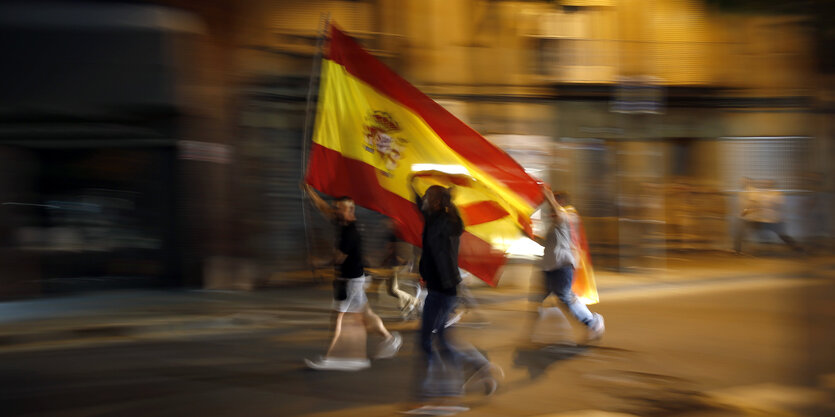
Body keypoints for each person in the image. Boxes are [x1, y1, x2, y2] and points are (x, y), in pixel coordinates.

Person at [409, 184, 501, 414]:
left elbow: (449, 225)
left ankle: (437, 394)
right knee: (442, 339)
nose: (426, 201)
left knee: (428, 341)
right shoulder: (436, 218)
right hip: (439, 289)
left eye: (430, 197)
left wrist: (449, 200)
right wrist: (413, 185)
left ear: (439, 203)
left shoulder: (444, 222)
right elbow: (423, 208)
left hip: (444, 289)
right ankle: (479, 368)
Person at [301, 183, 402, 371]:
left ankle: (328, 357)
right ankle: (390, 339)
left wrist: (318, 263)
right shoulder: (342, 221)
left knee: (337, 317)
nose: (335, 211)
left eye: (339, 209)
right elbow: (324, 208)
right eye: (336, 208)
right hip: (355, 278)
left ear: (349, 210)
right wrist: (310, 192)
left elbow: (338, 258)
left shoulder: (351, 233)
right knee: (366, 314)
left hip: (350, 281)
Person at [532, 185, 604, 343]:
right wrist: (532, 235)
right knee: (538, 299)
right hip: (549, 267)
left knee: (565, 298)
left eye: (556, 200)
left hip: (562, 266)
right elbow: (549, 243)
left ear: (562, 202)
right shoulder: (556, 221)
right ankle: (531, 335)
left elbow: (560, 214)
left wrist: (548, 197)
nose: (551, 206)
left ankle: (593, 322)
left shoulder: (569, 215)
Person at [734, 178, 803, 255]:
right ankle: (738, 250)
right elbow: (758, 205)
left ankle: (798, 248)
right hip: (762, 220)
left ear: (772, 184)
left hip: (773, 220)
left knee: (783, 236)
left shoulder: (776, 194)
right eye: (765, 183)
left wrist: (748, 210)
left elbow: (778, 207)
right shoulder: (763, 193)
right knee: (741, 229)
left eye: (767, 183)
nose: (765, 184)